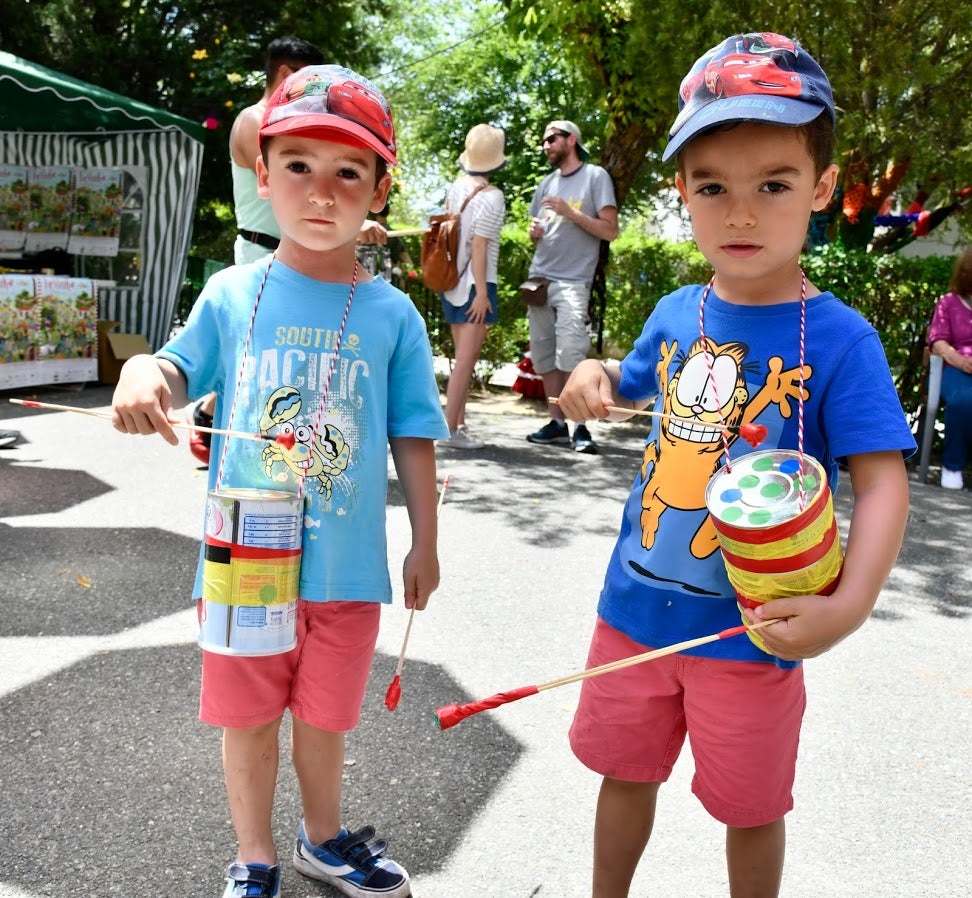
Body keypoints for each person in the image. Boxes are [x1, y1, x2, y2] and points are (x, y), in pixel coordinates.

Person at [556, 33, 915, 898]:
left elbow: (882, 479)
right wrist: (592, 375)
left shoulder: (842, 339)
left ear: (821, 188)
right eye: (713, 187)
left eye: (774, 185)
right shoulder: (678, 309)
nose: (741, 213)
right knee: (624, 777)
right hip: (633, 616)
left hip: (757, 633)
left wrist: (850, 605)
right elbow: (629, 382)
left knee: (751, 810)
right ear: (682, 192)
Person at [111, 64, 448, 898]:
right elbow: (178, 368)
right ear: (263, 175)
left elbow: (414, 437)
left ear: (378, 190)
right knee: (249, 717)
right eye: (298, 164)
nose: (321, 191)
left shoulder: (394, 315)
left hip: (349, 571)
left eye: (348, 172)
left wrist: (426, 545)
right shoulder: (231, 292)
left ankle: (322, 840)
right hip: (243, 562)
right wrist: (144, 375)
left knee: (326, 720)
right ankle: (254, 855)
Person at [524, 119, 618, 454]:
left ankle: (581, 427)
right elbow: (536, 229)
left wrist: (570, 212)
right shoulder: (546, 183)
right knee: (545, 356)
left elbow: (610, 230)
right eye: (544, 141)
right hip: (539, 279)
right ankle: (558, 424)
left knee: (572, 355)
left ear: (571, 139)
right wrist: (533, 232)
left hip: (574, 282)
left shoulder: (595, 177)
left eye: (551, 138)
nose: (546, 145)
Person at [438, 123, 507, 449]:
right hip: (475, 285)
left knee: (461, 360)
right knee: (466, 361)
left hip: (451, 282)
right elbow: (479, 247)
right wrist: (481, 292)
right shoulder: (493, 197)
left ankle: (458, 424)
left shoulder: (456, 188)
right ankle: (449, 430)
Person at [927, 246, 972, 489]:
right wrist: (962, 361)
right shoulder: (949, 303)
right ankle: (952, 466)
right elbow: (938, 342)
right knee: (964, 401)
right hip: (955, 368)